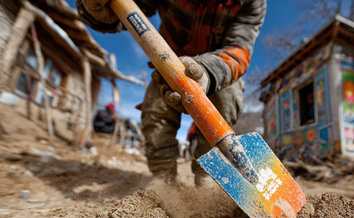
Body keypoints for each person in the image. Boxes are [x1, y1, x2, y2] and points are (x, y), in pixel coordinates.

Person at [77, 0, 266, 185]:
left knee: (227, 99)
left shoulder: (251, 3)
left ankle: (209, 183)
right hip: (167, 62)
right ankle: (165, 183)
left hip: (219, 69)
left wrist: (208, 72)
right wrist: (97, 13)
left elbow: (239, 49)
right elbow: (127, 11)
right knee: (156, 113)